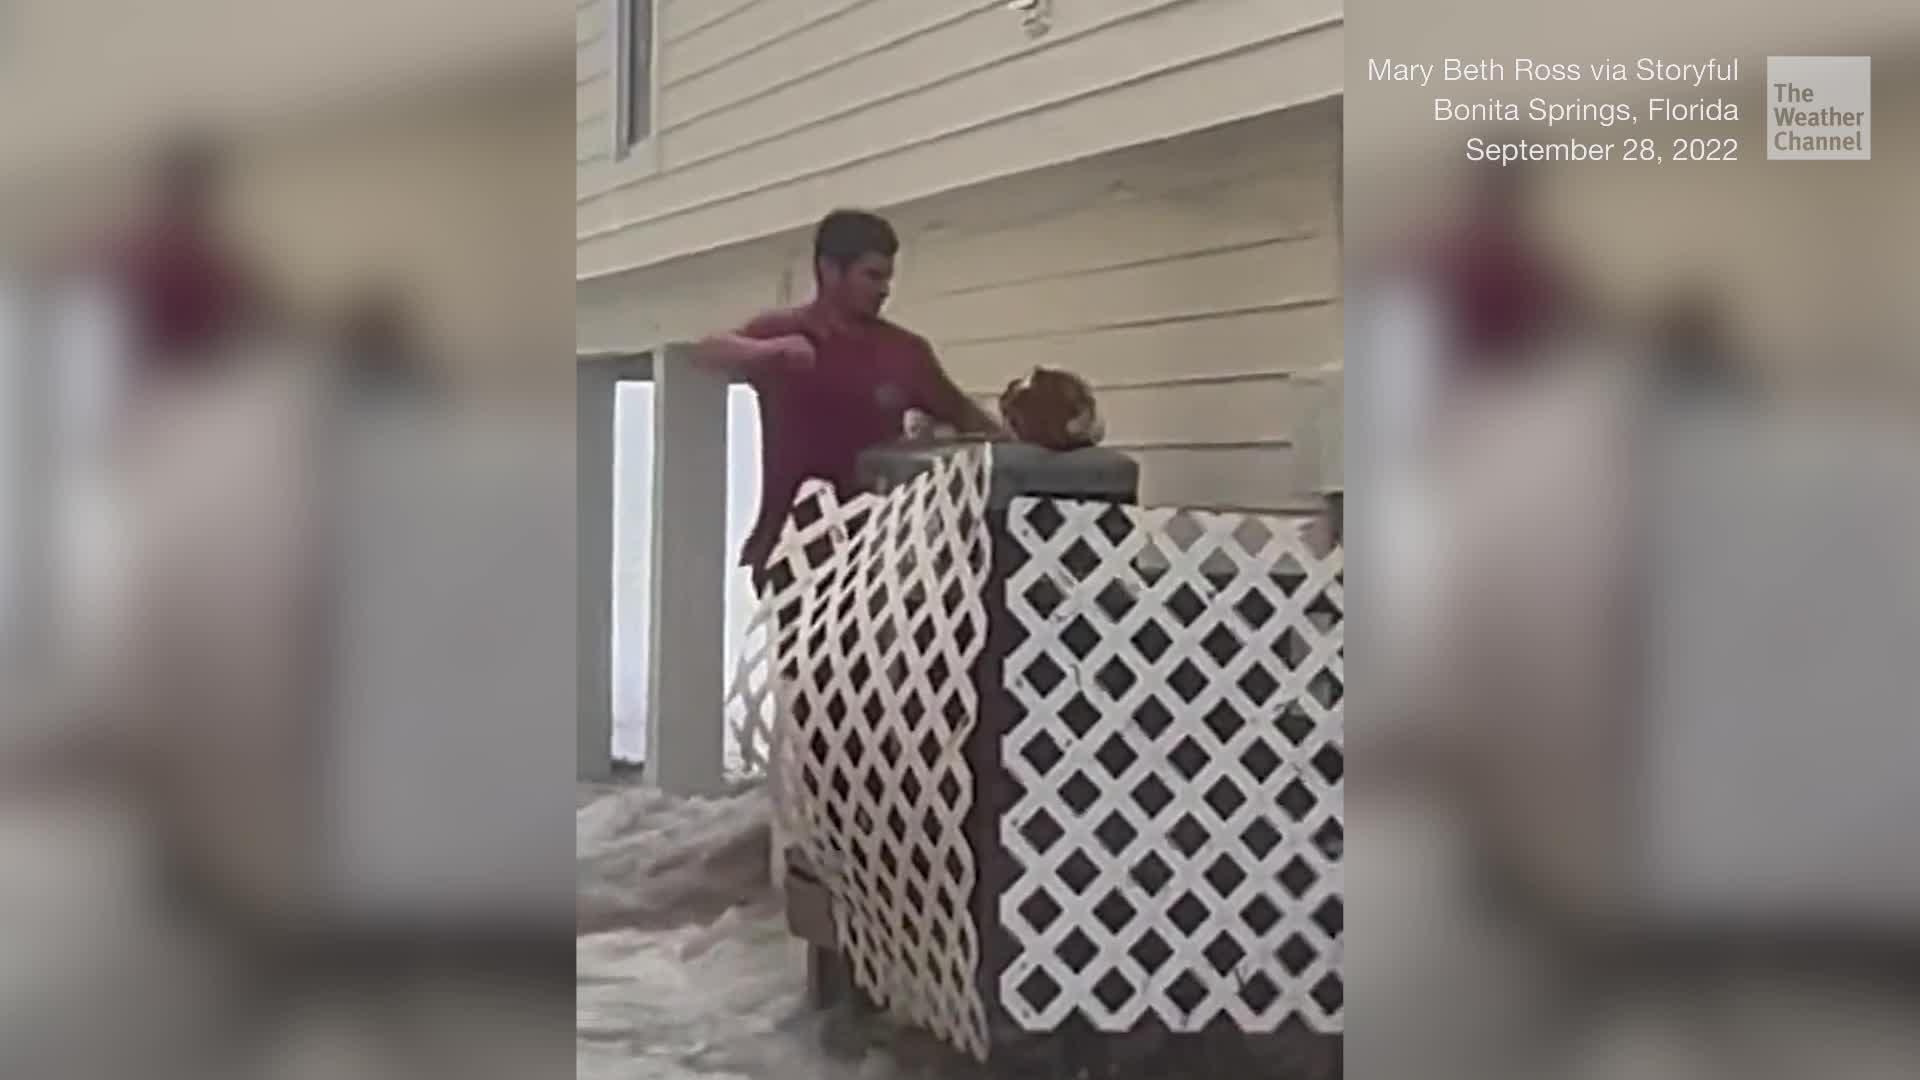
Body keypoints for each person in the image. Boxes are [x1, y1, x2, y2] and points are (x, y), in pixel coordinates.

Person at [694, 209, 1004, 588]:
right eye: (872, 276)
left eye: (888, 277)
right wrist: (772, 352)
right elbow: (707, 352)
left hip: (875, 552)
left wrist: (1029, 447)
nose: (884, 289)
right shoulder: (782, 330)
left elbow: (967, 417)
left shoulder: (904, 352)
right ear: (829, 270)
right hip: (792, 549)